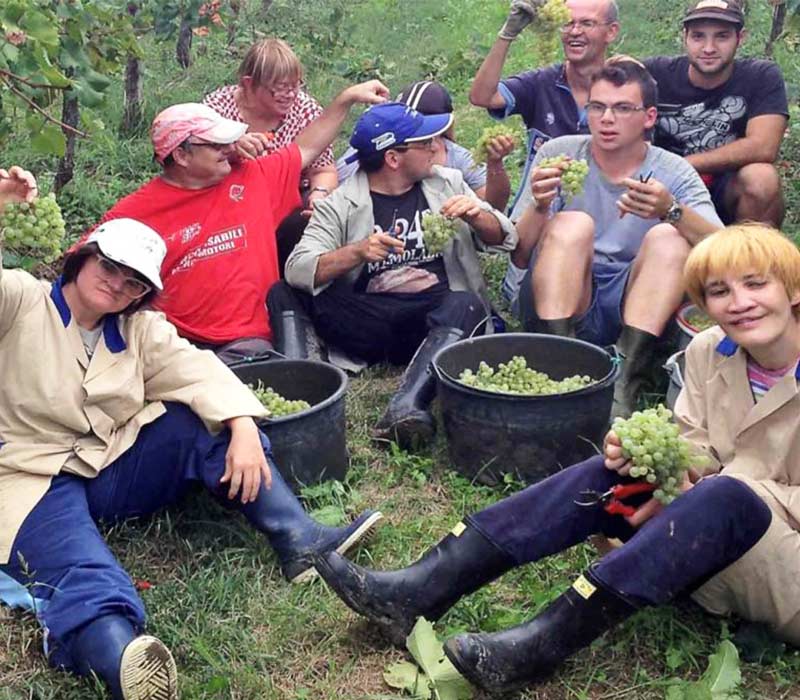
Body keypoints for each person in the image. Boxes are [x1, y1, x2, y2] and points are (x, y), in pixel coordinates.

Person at [314, 221, 800, 695]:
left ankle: (541, 646)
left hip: (787, 569)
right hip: (705, 538)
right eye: (719, 292)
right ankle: (418, 590)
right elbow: (694, 442)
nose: (739, 303)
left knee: (726, 496)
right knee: (610, 471)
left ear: (793, 290)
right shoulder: (711, 349)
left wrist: (714, 492)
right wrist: (659, 464)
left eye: (756, 285)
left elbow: (731, 490)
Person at [0, 168, 382, 700]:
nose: (117, 284)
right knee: (78, 563)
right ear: (83, 258)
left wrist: (243, 427)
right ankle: (120, 660)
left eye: (133, 281)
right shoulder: (21, 301)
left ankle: (300, 538)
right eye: (109, 267)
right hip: (34, 477)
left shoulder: (139, 330)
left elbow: (199, 372)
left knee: (202, 419)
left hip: (110, 466)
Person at [89, 79, 388, 365]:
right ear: (180, 154)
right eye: (216, 144)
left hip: (247, 341)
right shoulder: (136, 211)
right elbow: (84, 267)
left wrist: (345, 100)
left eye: (229, 141)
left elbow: (306, 147)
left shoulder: (252, 176)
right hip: (173, 342)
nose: (229, 149)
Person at [273, 102, 517, 448]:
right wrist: (355, 252)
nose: (437, 147)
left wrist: (477, 215)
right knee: (282, 292)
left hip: (431, 323)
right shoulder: (342, 202)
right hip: (366, 321)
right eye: (425, 142)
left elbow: (505, 237)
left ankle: (406, 406)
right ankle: (298, 389)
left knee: (468, 304)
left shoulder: (447, 183)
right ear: (393, 158)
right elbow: (298, 268)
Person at [510, 57, 723, 417]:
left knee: (669, 237)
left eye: (623, 108)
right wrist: (540, 206)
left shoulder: (672, 170)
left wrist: (672, 210)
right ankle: (563, 367)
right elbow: (518, 255)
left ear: (649, 117)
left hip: (635, 305)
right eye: (598, 107)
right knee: (572, 223)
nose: (607, 119)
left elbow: (725, 250)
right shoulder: (557, 154)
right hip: (560, 299)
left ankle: (623, 381)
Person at [469, 0, 620, 221]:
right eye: (568, 23)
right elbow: (482, 96)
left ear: (611, 31)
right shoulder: (541, 83)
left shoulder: (625, 91)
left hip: (603, 220)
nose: (575, 31)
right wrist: (508, 34)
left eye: (587, 23)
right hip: (537, 220)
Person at [644, 0, 788, 227]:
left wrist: (684, 164)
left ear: (740, 38)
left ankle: (752, 256)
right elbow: (611, 85)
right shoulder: (656, 73)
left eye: (721, 37)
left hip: (725, 186)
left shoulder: (761, 76)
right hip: (663, 184)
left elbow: (764, 146)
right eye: (698, 36)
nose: (709, 48)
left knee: (762, 178)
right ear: (685, 38)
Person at [203, 38, 339, 270]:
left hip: (288, 206)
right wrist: (230, 148)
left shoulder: (305, 111)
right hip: (229, 204)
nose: (290, 95)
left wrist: (319, 194)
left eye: (295, 85)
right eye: (279, 88)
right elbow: (195, 165)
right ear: (249, 84)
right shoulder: (216, 110)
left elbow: (324, 169)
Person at [337, 80, 515, 212]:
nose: (430, 145)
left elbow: (492, 209)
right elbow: (338, 195)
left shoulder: (455, 158)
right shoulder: (371, 148)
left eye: (423, 130)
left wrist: (495, 165)